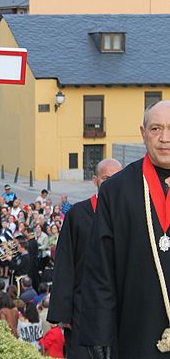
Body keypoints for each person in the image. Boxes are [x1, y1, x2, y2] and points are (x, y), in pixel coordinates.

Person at [79, 100, 170, 358]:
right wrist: (99, 333)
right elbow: (100, 270)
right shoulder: (115, 191)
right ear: (143, 133)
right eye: (156, 129)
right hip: (133, 332)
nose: (165, 138)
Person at [47, 158, 121, 359]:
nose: (112, 183)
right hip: (82, 308)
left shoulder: (129, 214)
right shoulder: (78, 215)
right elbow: (65, 263)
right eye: (106, 178)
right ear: (95, 180)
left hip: (120, 309)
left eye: (117, 178)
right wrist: (63, 312)